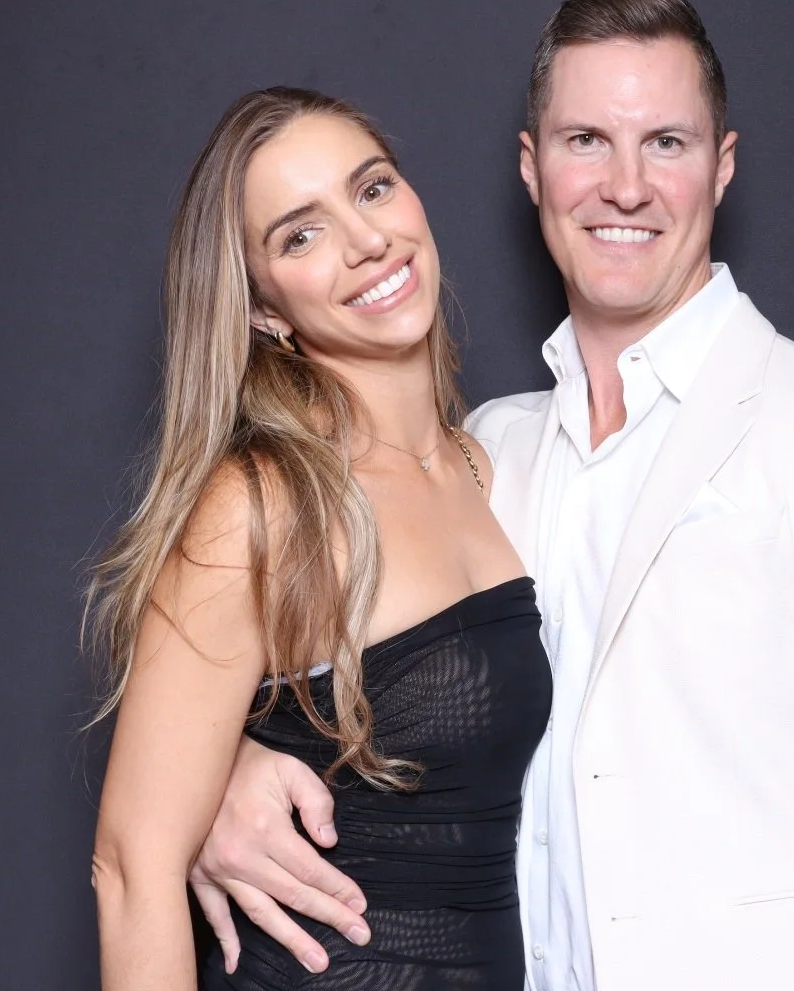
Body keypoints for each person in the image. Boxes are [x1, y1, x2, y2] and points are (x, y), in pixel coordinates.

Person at [188, 0, 794, 990]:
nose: (625, 186)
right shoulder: (483, 458)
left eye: (666, 142)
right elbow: (378, 707)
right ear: (534, 169)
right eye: (586, 140)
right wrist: (215, 773)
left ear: (722, 168)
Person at [86, 87, 553, 989]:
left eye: (371, 189)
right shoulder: (263, 503)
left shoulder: (493, 464)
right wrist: (211, 770)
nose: (366, 240)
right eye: (300, 235)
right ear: (263, 309)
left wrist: (232, 754)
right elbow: (131, 869)